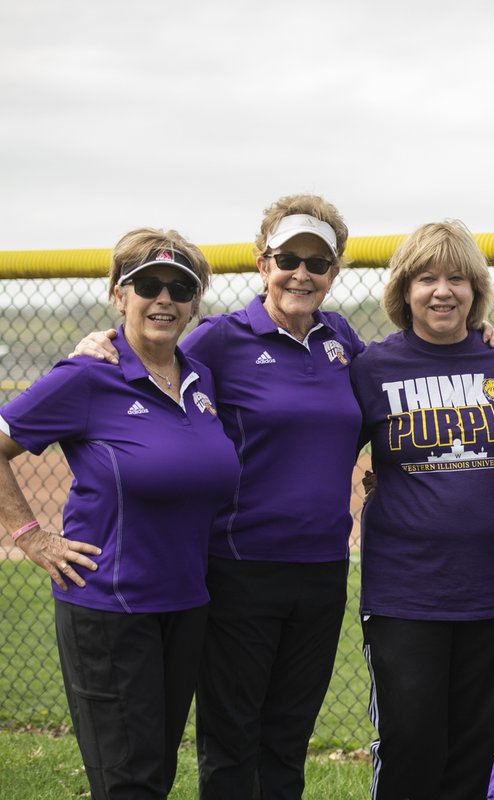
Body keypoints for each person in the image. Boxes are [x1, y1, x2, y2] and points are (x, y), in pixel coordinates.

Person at [71, 195, 364, 799]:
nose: (301, 274)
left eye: (318, 262)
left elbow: (390, 385)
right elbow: (148, 354)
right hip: (240, 567)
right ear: (263, 263)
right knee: (234, 743)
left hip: (322, 569)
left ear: (334, 273)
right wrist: (98, 343)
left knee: (287, 738)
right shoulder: (221, 340)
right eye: (289, 258)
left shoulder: (341, 341)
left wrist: (479, 330)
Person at [0, 229, 239, 799]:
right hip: (109, 604)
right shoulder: (88, 374)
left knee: (153, 772)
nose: (165, 299)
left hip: (185, 602)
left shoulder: (199, 377)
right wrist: (30, 537)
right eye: (148, 285)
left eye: (181, 288)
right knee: (127, 781)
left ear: (195, 303)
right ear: (118, 293)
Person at [350, 220, 494, 800]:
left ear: (476, 291)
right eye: (426, 278)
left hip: (491, 592)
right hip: (406, 594)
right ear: (404, 290)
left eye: (457, 279)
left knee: (473, 753)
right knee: (411, 748)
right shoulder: (372, 367)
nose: (442, 291)